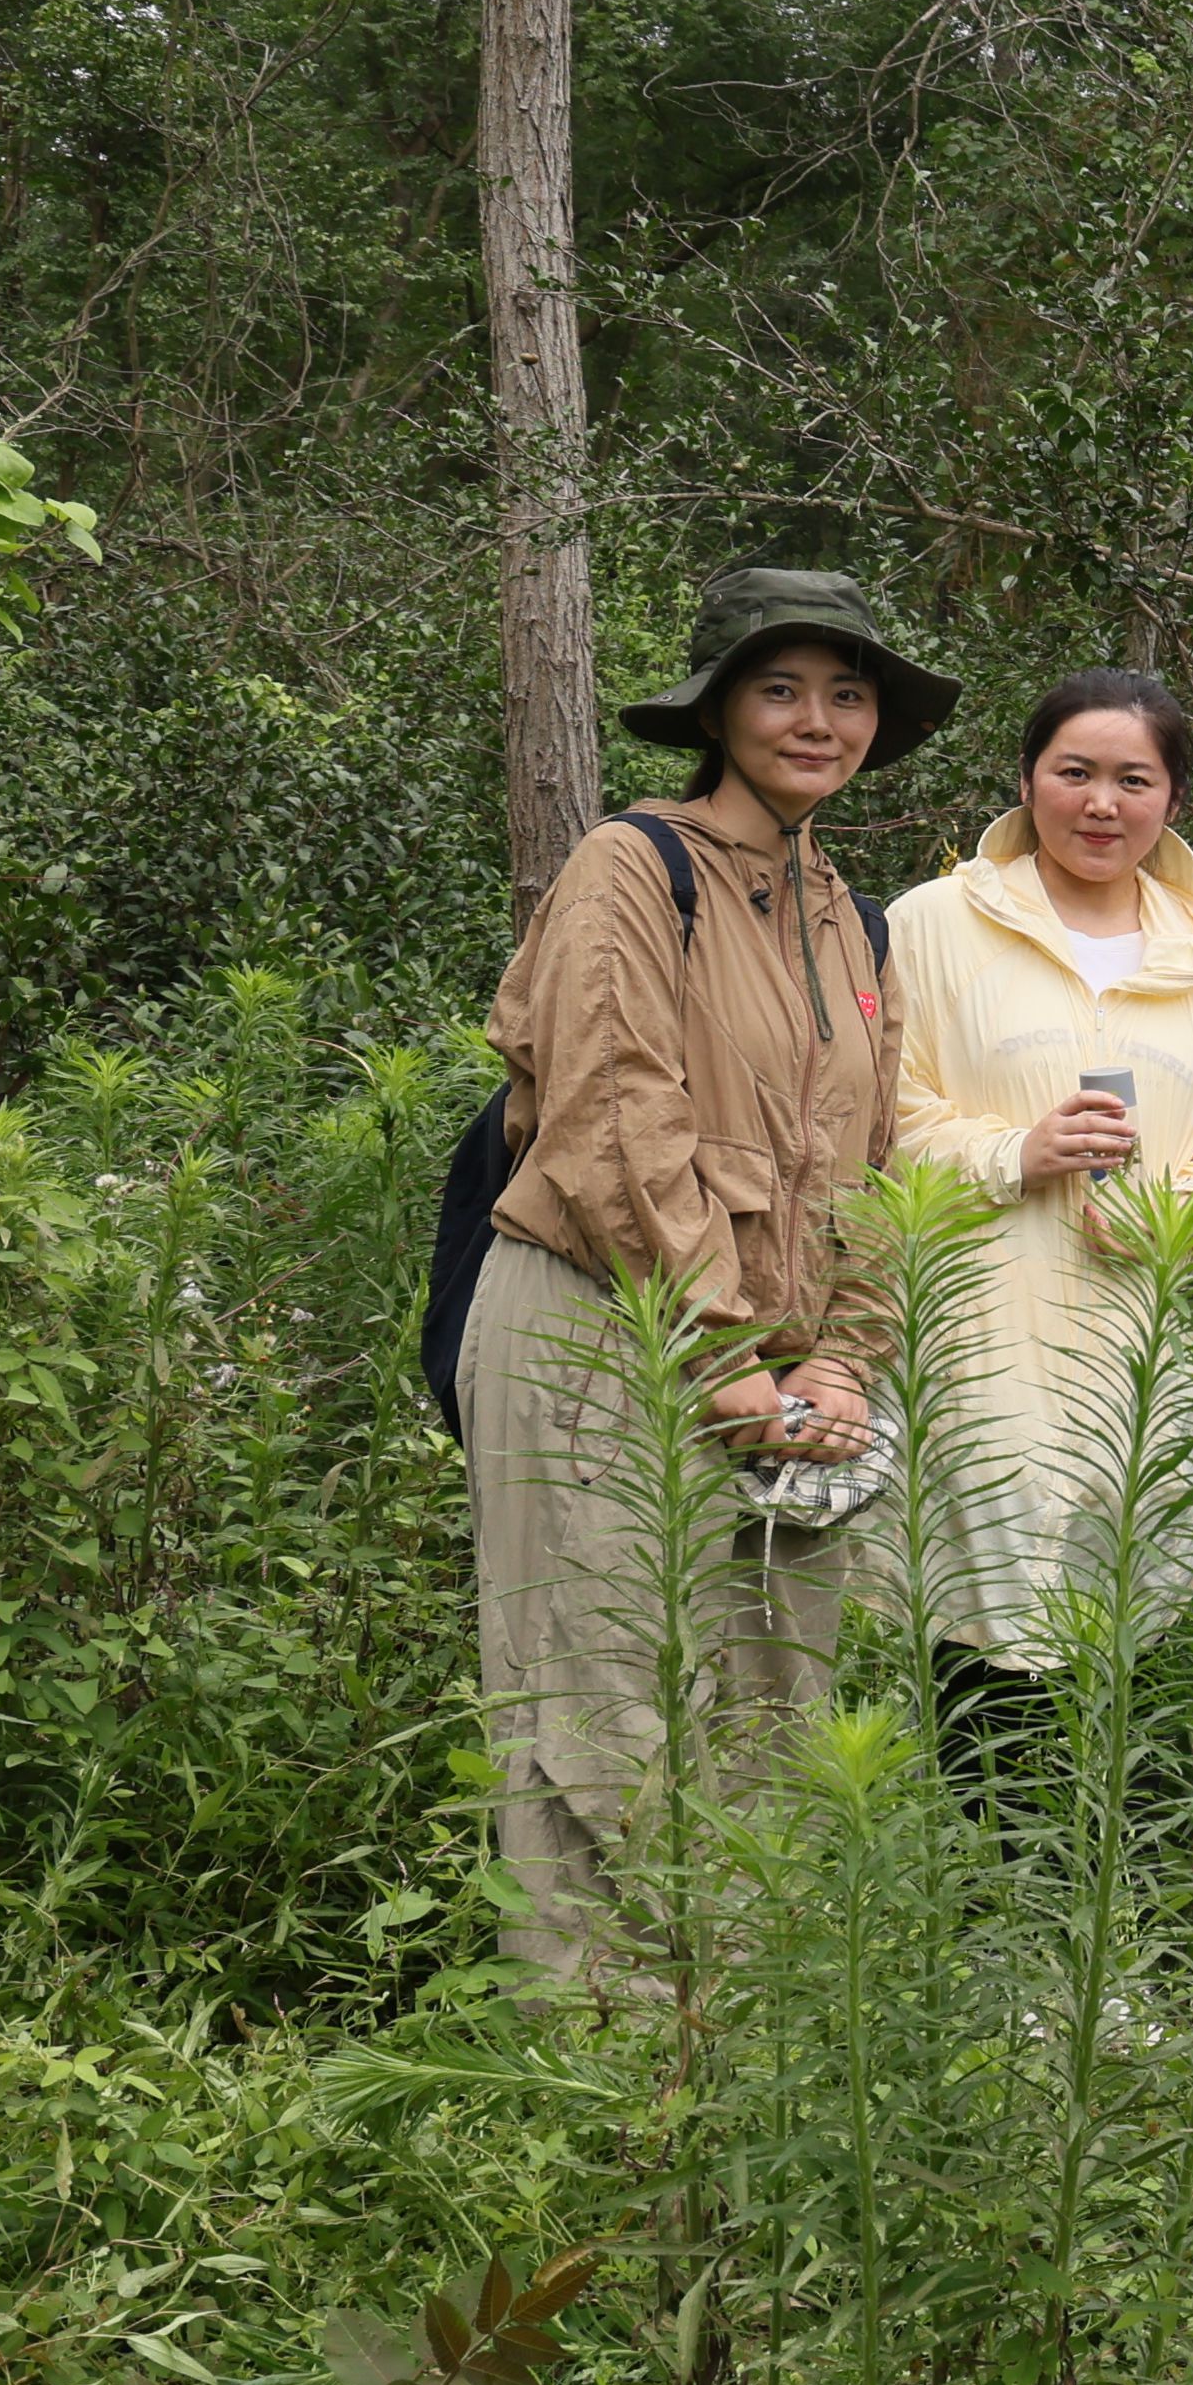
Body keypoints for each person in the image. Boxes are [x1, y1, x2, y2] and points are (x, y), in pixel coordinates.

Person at [463, 565, 949, 1997]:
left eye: (848, 694)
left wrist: (847, 1357)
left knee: (773, 1700)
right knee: (598, 1689)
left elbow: (875, 1155)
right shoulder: (636, 863)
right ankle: (595, 2055)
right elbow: (616, 1111)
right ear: (721, 708)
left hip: (788, 1372)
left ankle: (740, 2041)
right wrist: (721, 1356)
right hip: (607, 1327)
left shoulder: (849, 915)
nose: (820, 721)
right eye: (782, 688)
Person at [881, 670, 1193, 1690]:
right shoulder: (931, 925)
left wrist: (1168, 1212)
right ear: (1027, 780)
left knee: (1126, 1660)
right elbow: (866, 1123)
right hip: (971, 1342)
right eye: (1073, 772)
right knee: (978, 1657)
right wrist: (1011, 1154)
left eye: (1135, 779)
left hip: (1153, 1353)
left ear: (1173, 800)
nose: (1101, 803)